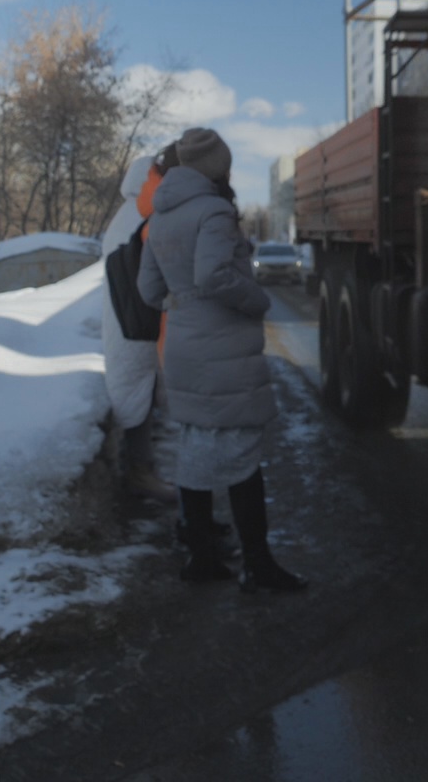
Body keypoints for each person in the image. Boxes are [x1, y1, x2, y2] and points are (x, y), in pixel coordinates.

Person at [137, 127, 307, 593]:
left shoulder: (161, 215)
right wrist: (257, 300)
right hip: (222, 348)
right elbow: (214, 275)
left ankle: (202, 559)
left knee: (196, 451)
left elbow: (149, 291)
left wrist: (184, 305)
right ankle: (258, 566)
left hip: (185, 349)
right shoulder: (213, 211)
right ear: (217, 168)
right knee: (241, 455)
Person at [101, 150, 176, 503]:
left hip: (126, 320)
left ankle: (140, 470)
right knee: (137, 394)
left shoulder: (125, 215)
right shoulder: (140, 216)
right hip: (136, 323)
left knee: (136, 391)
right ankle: (139, 474)